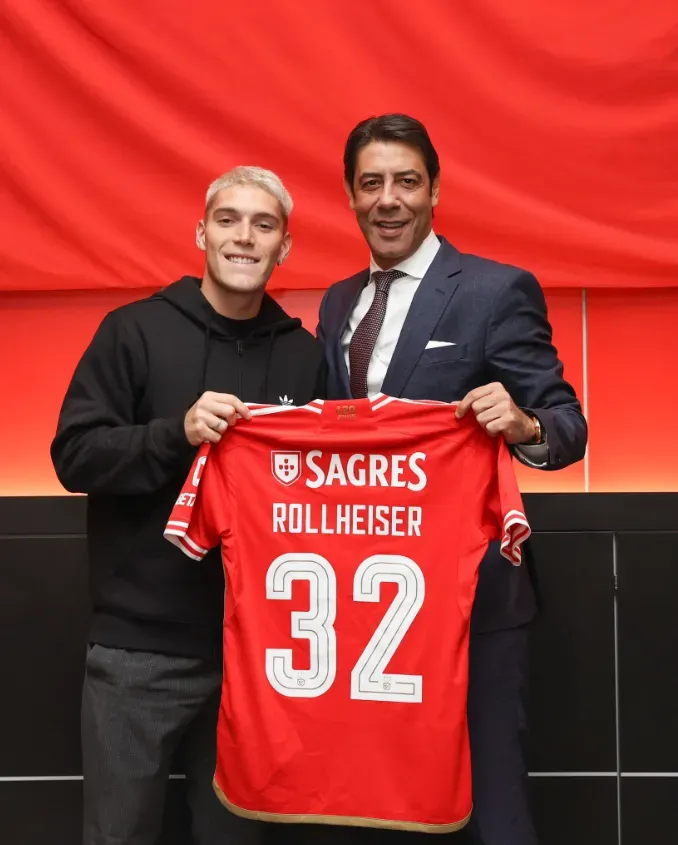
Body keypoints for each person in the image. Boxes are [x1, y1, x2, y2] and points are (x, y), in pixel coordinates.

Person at [314, 114, 587, 845]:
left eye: (406, 181)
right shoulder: (338, 303)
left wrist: (525, 424)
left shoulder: (496, 291)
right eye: (371, 183)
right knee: (390, 809)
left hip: (476, 602)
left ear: (435, 191)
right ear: (349, 195)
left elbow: (569, 424)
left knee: (492, 806)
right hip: (373, 605)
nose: (389, 199)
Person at [51, 166, 325, 845]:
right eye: (228, 220)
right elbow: (75, 455)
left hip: (258, 657)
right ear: (201, 232)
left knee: (239, 837)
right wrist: (176, 433)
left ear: (284, 247)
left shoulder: (305, 357)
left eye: (263, 226)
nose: (244, 237)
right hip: (138, 650)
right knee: (118, 833)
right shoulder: (134, 331)